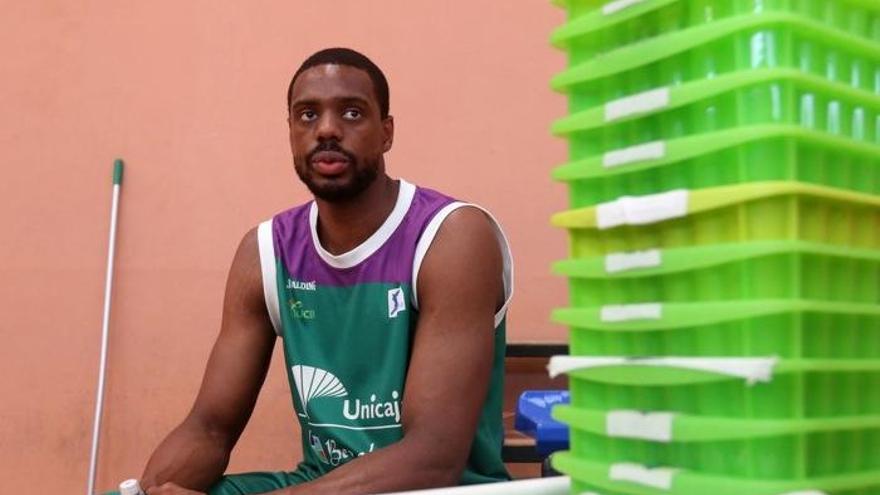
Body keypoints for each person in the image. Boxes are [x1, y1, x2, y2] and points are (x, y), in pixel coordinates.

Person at [128, 47, 513, 495]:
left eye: (352, 113)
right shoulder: (267, 251)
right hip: (321, 485)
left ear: (386, 132)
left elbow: (433, 458)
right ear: (290, 131)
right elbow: (210, 427)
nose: (327, 129)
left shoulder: (451, 236)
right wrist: (147, 490)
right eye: (307, 115)